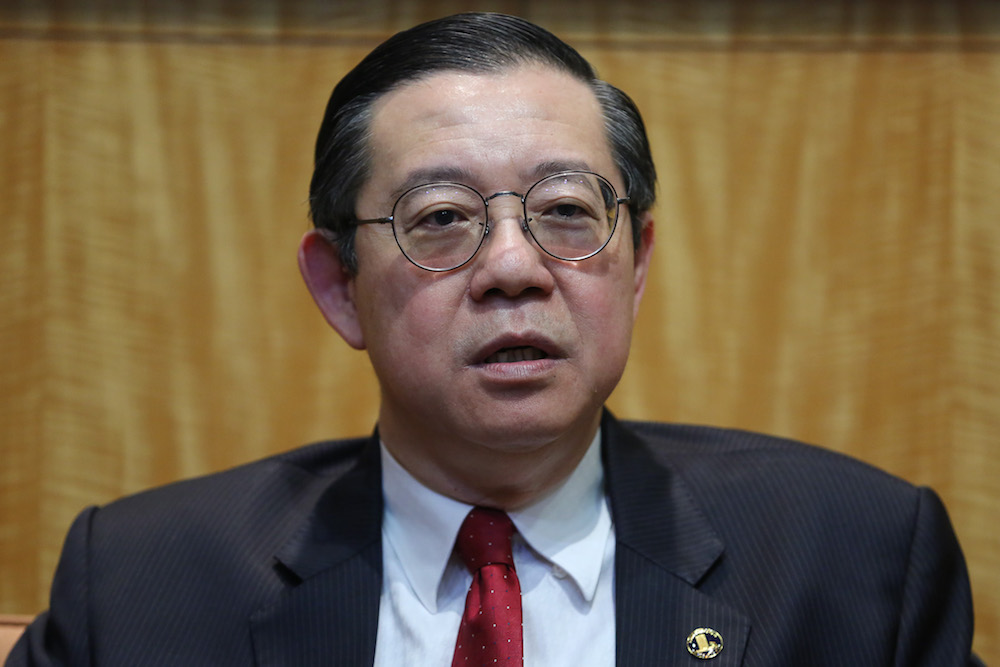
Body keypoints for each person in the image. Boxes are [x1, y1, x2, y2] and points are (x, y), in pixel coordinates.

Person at [7, 12, 979, 667]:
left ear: (634, 262)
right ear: (338, 286)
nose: (513, 266)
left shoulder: (852, 562)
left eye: (565, 210)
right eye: (440, 218)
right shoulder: (141, 588)